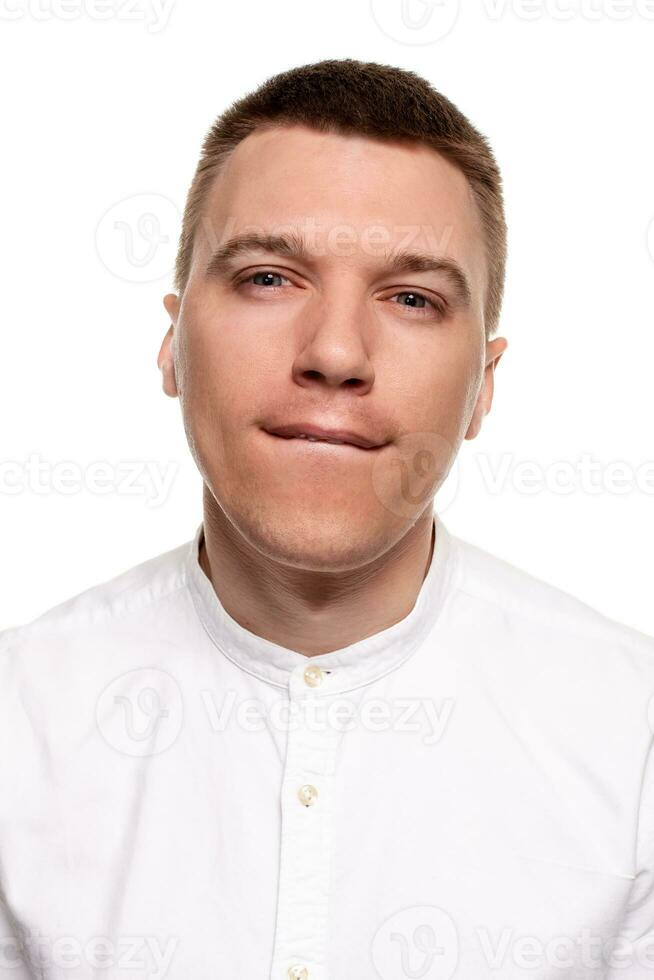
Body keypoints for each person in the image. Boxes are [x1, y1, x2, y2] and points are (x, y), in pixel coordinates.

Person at [1, 58, 653, 980]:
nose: (338, 353)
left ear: (484, 387)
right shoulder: (17, 724)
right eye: (270, 278)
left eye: (414, 297)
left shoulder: (635, 743)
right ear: (171, 341)